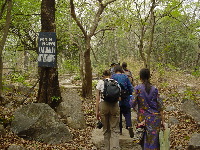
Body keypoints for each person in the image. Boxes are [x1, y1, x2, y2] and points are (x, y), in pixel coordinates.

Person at [131, 68, 165, 150]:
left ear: (140, 77)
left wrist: (138, 109)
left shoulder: (137, 89)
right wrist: (163, 121)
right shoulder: (155, 89)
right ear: (149, 76)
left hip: (142, 119)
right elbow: (160, 106)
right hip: (155, 119)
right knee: (154, 143)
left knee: (143, 141)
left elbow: (132, 103)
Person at [96, 70, 120, 150]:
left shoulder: (100, 82)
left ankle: (106, 148)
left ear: (103, 76)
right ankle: (115, 148)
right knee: (115, 129)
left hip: (103, 105)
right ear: (110, 75)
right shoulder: (116, 83)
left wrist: (97, 111)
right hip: (114, 106)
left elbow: (97, 99)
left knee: (106, 129)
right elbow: (119, 97)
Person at [111, 65, 134, 138]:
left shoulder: (113, 77)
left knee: (118, 114)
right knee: (127, 113)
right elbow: (130, 88)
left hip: (116, 99)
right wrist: (130, 94)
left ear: (115, 70)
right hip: (125, 98)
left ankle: (119, 130)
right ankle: (129, 126)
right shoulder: (125, 77)